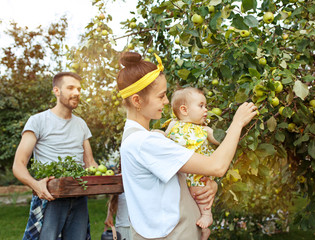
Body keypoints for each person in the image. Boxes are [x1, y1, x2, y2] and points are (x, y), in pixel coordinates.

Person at [117, 51, 257, 240]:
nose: (167, 101)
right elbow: (217, 166)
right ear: (137, 100)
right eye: (161, 96)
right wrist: (237, 123)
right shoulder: (145, 143)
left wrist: (209, 188)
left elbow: (172, 186)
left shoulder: (143, 138)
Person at [12, 72, 98, 240]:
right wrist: (36, 186)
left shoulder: (81, 124)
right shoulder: (38, 121)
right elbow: (18, 165)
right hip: (50, 198)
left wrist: (108, 179)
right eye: (71, 88)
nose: (77, 93)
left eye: (79, 89)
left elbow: (90, 164)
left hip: (78, 197)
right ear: (56, 91)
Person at [164, 87, 220, 240]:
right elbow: (165, 139)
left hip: (198, 173)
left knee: (200, 192)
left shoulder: (205, 130)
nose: (206, 110)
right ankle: (203, 230)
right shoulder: (172, 125)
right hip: (182, 172)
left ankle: (207, 215)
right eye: (201, 106)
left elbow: (220, 139)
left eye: (205, 106)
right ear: (184, 110)